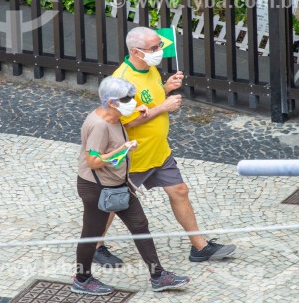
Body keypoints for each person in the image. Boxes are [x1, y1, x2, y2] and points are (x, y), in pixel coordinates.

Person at [93, 26, 237, 267]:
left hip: (159, 151)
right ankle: (94, 247)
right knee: (114, 202)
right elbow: (129, 120)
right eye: (153, 48)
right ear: (136, 52)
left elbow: (149, 97)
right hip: (134, 155)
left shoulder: (149, 68)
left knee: (179, 190)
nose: (159, 51)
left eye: (159, 45)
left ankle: (199, 247)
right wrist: (164, 107)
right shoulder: (122, 81)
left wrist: (166, 88)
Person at [72, 75, 189, 295]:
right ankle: (82, 278)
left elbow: (131, 117)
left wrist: (143, 108)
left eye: (132, 97)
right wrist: (123, 149)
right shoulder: (99, 125)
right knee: (92, 233)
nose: (132, 102)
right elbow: (93, 162)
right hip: (96, 188)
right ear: (111, 103)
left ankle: (158, 275)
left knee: (140, 225)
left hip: (117, 184)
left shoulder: (116, 117)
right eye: (127, 99)